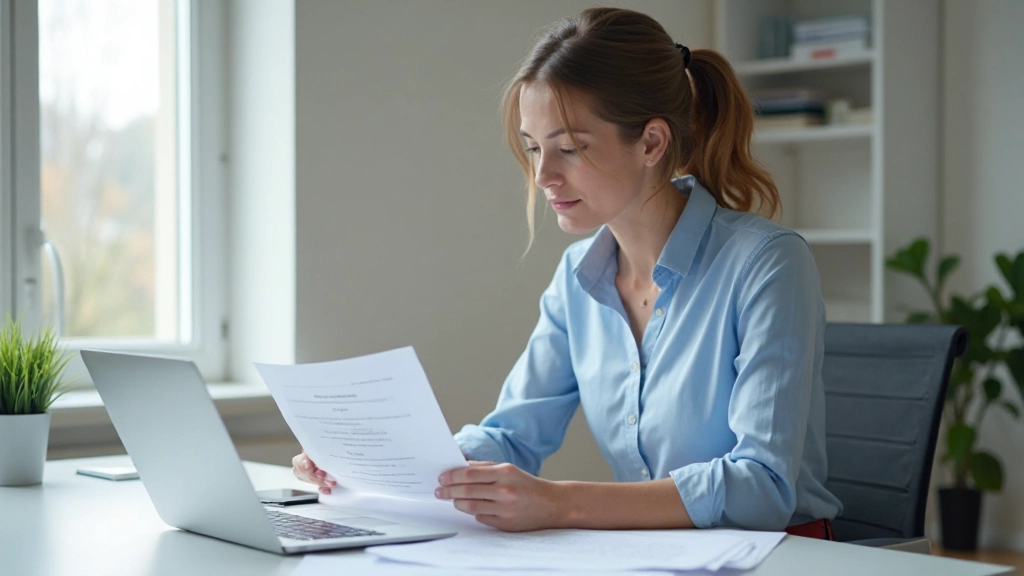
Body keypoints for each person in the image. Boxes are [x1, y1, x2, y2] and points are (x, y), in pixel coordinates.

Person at [293, 6, 842, 537]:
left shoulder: (767, 263)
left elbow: (763, 486)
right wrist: (374, 464)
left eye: (571, 149)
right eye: (534, 148)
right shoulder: (578, 275)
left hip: (785, 554)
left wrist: (558, 502)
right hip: (657, 554)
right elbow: (512, 435)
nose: (543, 175)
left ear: (651, 142)